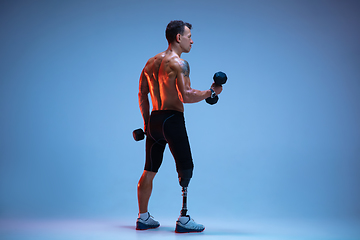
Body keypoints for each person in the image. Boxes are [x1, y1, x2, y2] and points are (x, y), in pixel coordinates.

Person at [136, 20, 222, 233]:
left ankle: (143, 217)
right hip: (172, 120)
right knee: (186, 167)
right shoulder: (179, 63)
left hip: (155, 120)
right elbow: (186, 96)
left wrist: (147, 123)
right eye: (189, 36)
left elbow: (142, 94)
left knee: (149, 170)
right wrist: (210, 93)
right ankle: (183, 220)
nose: (192, 40)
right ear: (178, 38)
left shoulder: (150, 63)